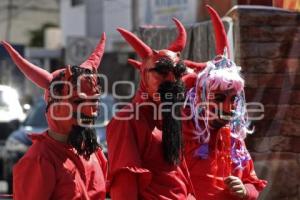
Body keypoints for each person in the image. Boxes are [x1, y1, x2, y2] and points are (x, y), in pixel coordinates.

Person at [1, 33, 107, 200]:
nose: (91, 110)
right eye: (78, 101)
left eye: (94, 101)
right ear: (55, 107)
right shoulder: (40, 160)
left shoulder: (93, 152)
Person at [182, 6, 267, 200]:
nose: (229, 108)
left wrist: (244, 190)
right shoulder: (181, 135)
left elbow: (252, 183)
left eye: (233, 99)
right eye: (219, 98)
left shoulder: (236, 141)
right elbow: (167, 182)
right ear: (201, 99)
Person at [106, 18, 195, 199]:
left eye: (178, 73)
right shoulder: (127, 121)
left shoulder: (170, 116)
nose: (172, 80)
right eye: (162, 72)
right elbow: (124, 188)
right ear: (144, 75)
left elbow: (181, 175)